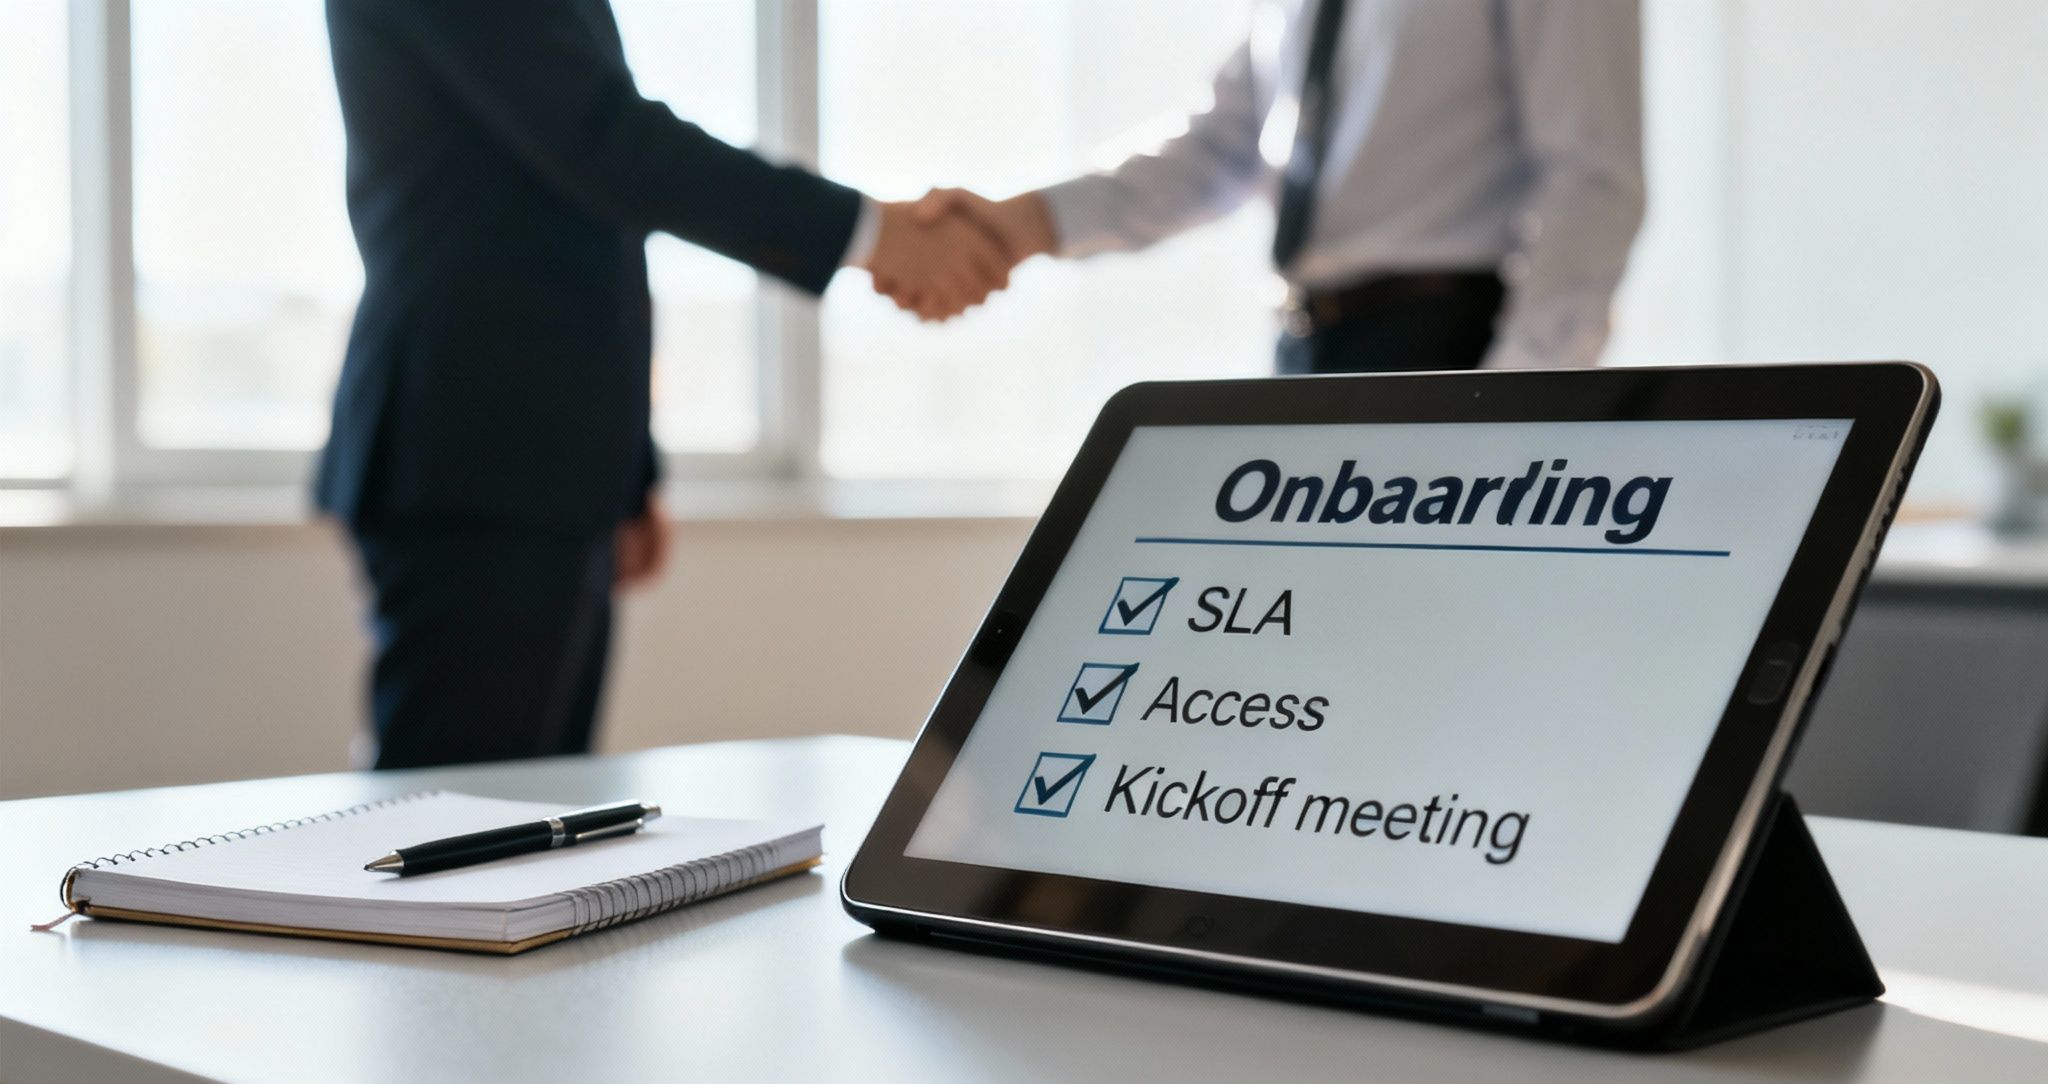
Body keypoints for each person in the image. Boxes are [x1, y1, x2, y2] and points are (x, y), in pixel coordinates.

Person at [319, 0, 1010, 770]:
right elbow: (607, 144)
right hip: (471, 450)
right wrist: (871, 234)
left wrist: (626, 469)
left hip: (539, 458)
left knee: (532, 821)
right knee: (447, 825)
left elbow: (582, 209)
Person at [919, 0, 1644, 374]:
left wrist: (1520, 394)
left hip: (1445, 344)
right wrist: (1018, 225)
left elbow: (1593, 177)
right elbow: (1218, 147)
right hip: (1307, 346)